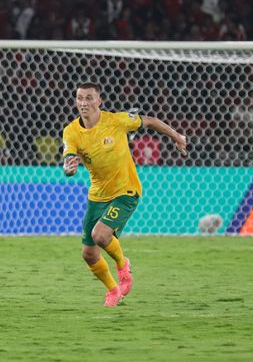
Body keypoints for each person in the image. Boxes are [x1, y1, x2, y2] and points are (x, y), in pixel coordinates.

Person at [62, 82, 187, 306]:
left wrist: (176, 136)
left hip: (126, 190)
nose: (84, 103)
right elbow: (69, 159)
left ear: (99, 101)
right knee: (88, 254)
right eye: (80, 98)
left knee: (101, 235)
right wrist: (68, 169)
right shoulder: (71, 131)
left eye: (89, 98)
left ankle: (122, 265)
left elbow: (149, 121)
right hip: (98, 194)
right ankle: (113, 291)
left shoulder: (117, 121)